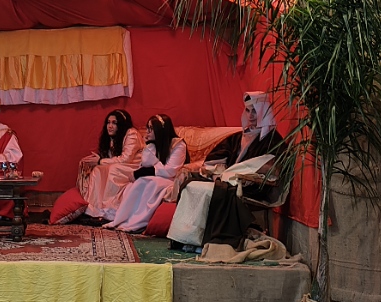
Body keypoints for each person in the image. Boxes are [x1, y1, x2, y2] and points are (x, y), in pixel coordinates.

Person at [167, 91, 287, 249]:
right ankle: (185, 238)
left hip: (252, 187)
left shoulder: (273, 140)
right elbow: (216, 158)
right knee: (190, 184)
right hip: (229, 181)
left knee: (209, 191)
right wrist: (218, 173)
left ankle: (209, 240)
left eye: (255, 111)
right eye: (248, 110)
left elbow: (270, 170)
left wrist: (233, 176)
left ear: (264, 111)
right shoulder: (238, 137)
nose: (251, 115)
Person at [105, 114, 187, 232]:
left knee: (148, 182)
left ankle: (136, 222)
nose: (147, 132)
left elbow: (170, 170)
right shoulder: (154, 143)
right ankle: (120, 219)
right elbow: (146, 163)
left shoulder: (178, 145)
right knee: (132, 185)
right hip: (156, 176)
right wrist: (150, 145)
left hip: (172, 179)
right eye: (147, 128)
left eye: (151, 128)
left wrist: (142, 172)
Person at [80, 109, 143, 220]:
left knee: (113, 169)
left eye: (114, 123)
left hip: (134, 166)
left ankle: (110, 210)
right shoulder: (112, 138)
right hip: (121, 165)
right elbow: (111, 159)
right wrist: (97, 161)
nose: (110, 126)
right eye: (108, 123)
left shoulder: (132, 134)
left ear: (121, 125)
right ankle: (93, 210)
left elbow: (126, 159)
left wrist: (101, 161)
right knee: (98, 170)